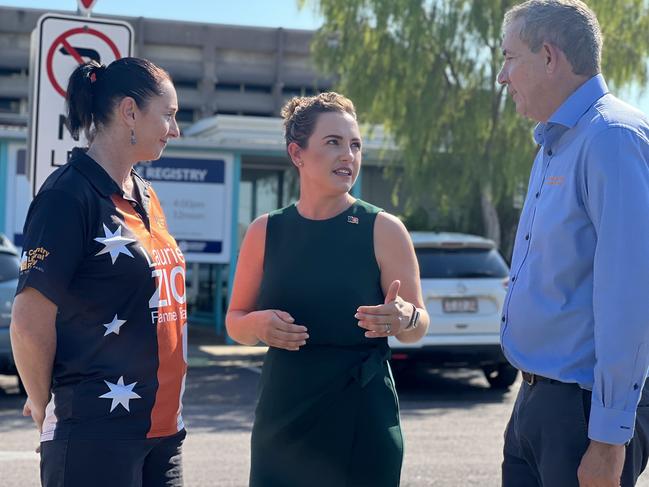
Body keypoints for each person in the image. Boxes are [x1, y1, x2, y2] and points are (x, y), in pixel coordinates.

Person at [226, 92, 429, 486]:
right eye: (333, 142)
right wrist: (259, 326)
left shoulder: (385, 229)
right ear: (297, 154)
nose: (348, 156)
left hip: (362, 414)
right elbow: (235, 321)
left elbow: (419, 324)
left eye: (355, 145)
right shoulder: (265, 231)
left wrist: (405, 317)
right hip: (283, 416)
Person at [10, 58, 187, 486]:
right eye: (168, 115)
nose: (175, 129)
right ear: (129, 112)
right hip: (94, 434)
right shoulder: (68, 196)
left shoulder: (145, 193)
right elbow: (28, 321)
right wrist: (42, 405)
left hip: (162, 434)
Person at [497, 1, 649, 486]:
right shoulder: (553, 143)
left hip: (582, 416)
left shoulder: (612, 138)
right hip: (535, 405)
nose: (502, 76)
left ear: (548, 56)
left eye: (509, 57)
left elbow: (630, 298)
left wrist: (608, 439)